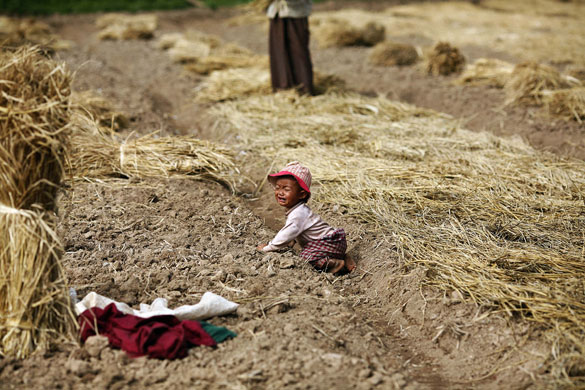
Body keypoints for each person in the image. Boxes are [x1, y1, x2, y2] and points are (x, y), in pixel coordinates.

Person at [256, 161, 356, 274]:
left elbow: (288, 232)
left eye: (286, 189)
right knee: (306, 253)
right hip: (333, 243)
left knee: (304, 258)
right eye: (278, 188)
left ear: (302, 194)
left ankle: (337, 264)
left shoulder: (298, 214)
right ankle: (341, 256)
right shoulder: (298, 210)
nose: (280, 192)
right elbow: (296, 231)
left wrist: (268, 248)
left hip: (329, 243)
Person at [266, 0, 314, 95]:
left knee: (298, 51)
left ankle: (303, 88)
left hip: (295, 11)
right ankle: (283, 87)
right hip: (278, 12)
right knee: (279, 51)